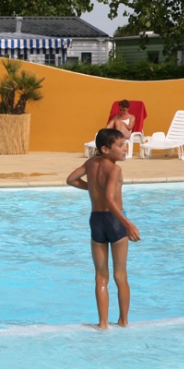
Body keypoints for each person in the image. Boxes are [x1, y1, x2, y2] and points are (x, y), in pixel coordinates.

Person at [66, 128, 141, 329]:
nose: (125, 149)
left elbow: (70, 179)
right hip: (115, 221)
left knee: (101, 275)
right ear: (105, 149)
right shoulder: (115, 169)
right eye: (120, 145)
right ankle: (124, 321)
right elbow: (109, 199)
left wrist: (91, 188)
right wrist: (128, 223)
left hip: (96, 220)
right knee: (120, 275)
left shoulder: (90, 163)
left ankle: (102, 323)